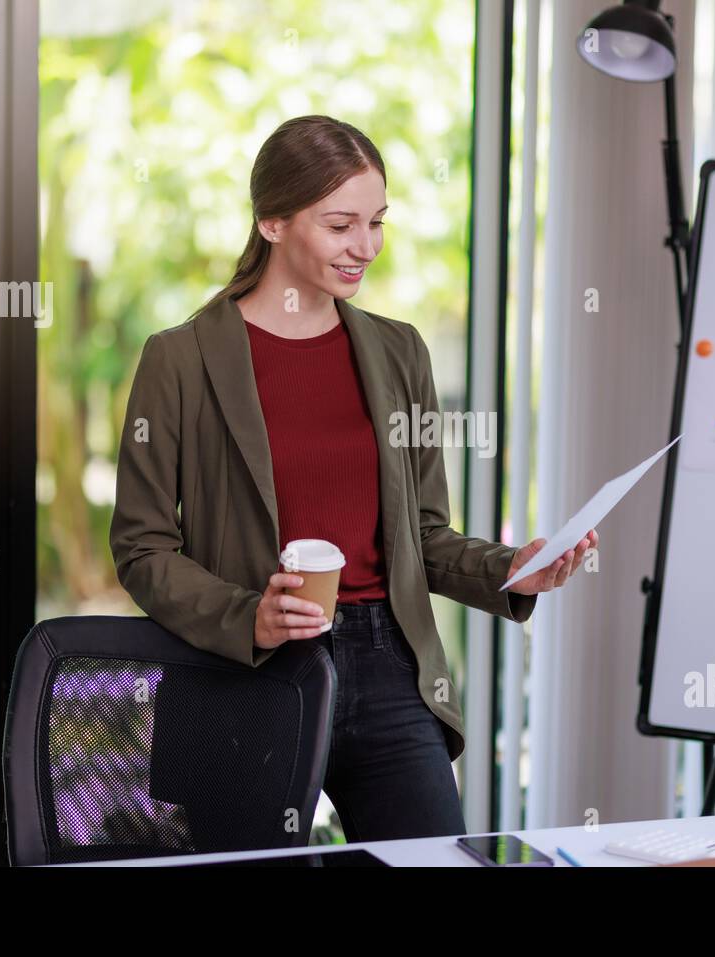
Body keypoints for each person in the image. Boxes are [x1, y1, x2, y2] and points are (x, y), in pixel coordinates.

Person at [110, 114, 596, 842]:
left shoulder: (400, 354)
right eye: (341, 225)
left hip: (390, 667)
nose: (364, 247)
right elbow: (143, 548)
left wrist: (511, 569)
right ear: (272, 221)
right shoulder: (178, 360)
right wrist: (250, 615)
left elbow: (425, 537)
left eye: (376, 222)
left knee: (436, 860)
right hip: (245, 674)